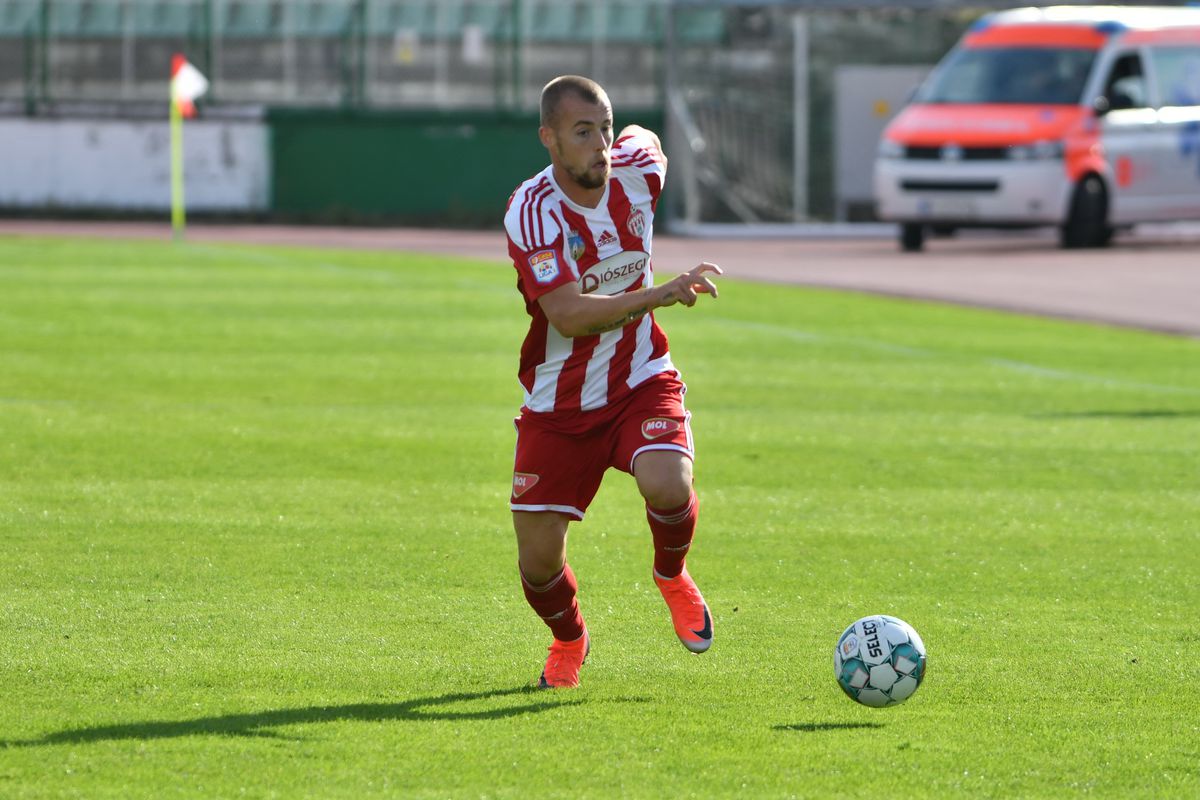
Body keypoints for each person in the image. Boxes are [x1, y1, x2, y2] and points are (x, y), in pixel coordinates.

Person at [503, 75, 722, 689]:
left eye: (604, 129)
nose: (599, 144)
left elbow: (648, 141)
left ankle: (672, 577)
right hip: (558, 402)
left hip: (638, 378)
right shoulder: (533, 211)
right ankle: (569, 638)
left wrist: (629, 134)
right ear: (549, 139)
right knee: (538, 562)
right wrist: (661, 291)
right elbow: (568, 315)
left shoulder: (634, 168)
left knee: (669, 483)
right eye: (581, 132)